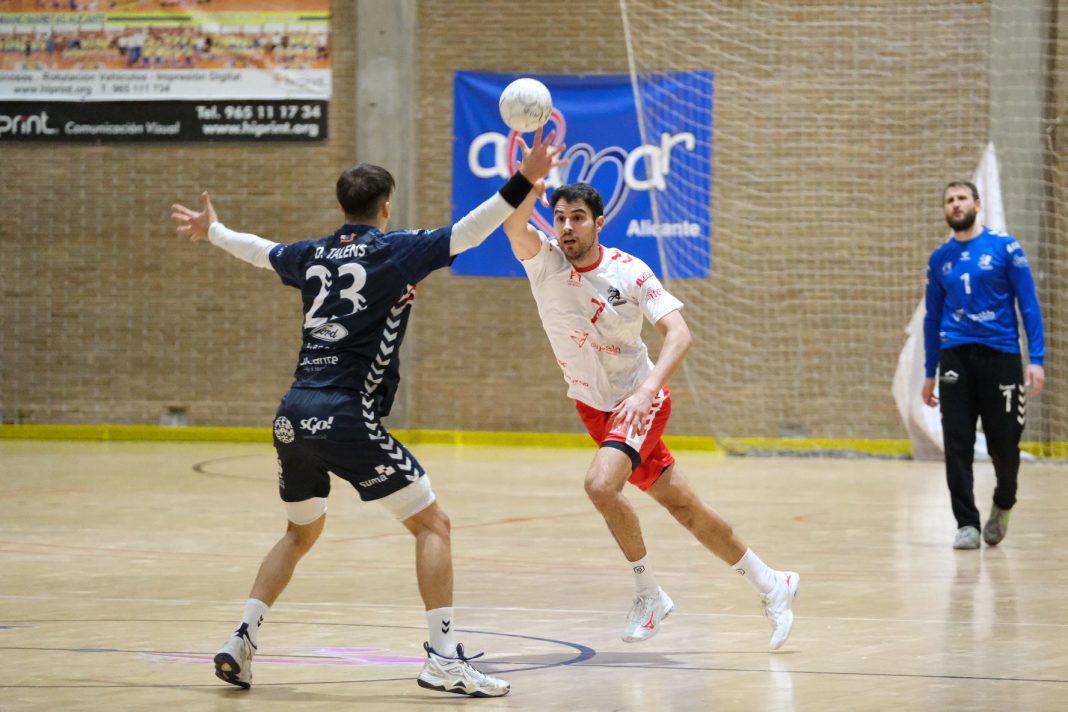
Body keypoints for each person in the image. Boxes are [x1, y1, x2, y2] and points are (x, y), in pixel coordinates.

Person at [170, 127, 563, 696]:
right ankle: (444, 659)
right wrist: (524, 178)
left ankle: (241, 638)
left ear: (341, 208)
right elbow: (470, 230)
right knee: (433, 525)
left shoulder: (312, 254)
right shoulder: (393, 250)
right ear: (385, 207)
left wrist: (213, 231)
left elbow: (259, 251)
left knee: (299, 533)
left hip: (291, 415)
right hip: (344, 414)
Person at [501, 175, 799, 651]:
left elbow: (680, 334)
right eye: (560, 218)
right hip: (593, 407)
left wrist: (647, 391)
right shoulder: (544, 263)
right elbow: (513, 227)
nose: (567, 227)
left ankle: (649, 594)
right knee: (685, 507)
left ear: (599, 223)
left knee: (601, 486)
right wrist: (527, 187)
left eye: (578, 218)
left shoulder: (631, 272)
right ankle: (772, 583)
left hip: (640, 402)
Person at [922, 181, 1046, 550]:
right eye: (949, 200)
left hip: (1001, 356)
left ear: (977, 204)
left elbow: (1028, 304)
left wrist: (1036, 359)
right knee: (956, 442)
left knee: (1004, 445)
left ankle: (1004, 502)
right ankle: (967, 524)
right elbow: (932, 317)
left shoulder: (1005, 248)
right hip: (955, 356)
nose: (955, 204)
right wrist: (929, 371)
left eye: (962, 198)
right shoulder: (940, 259)